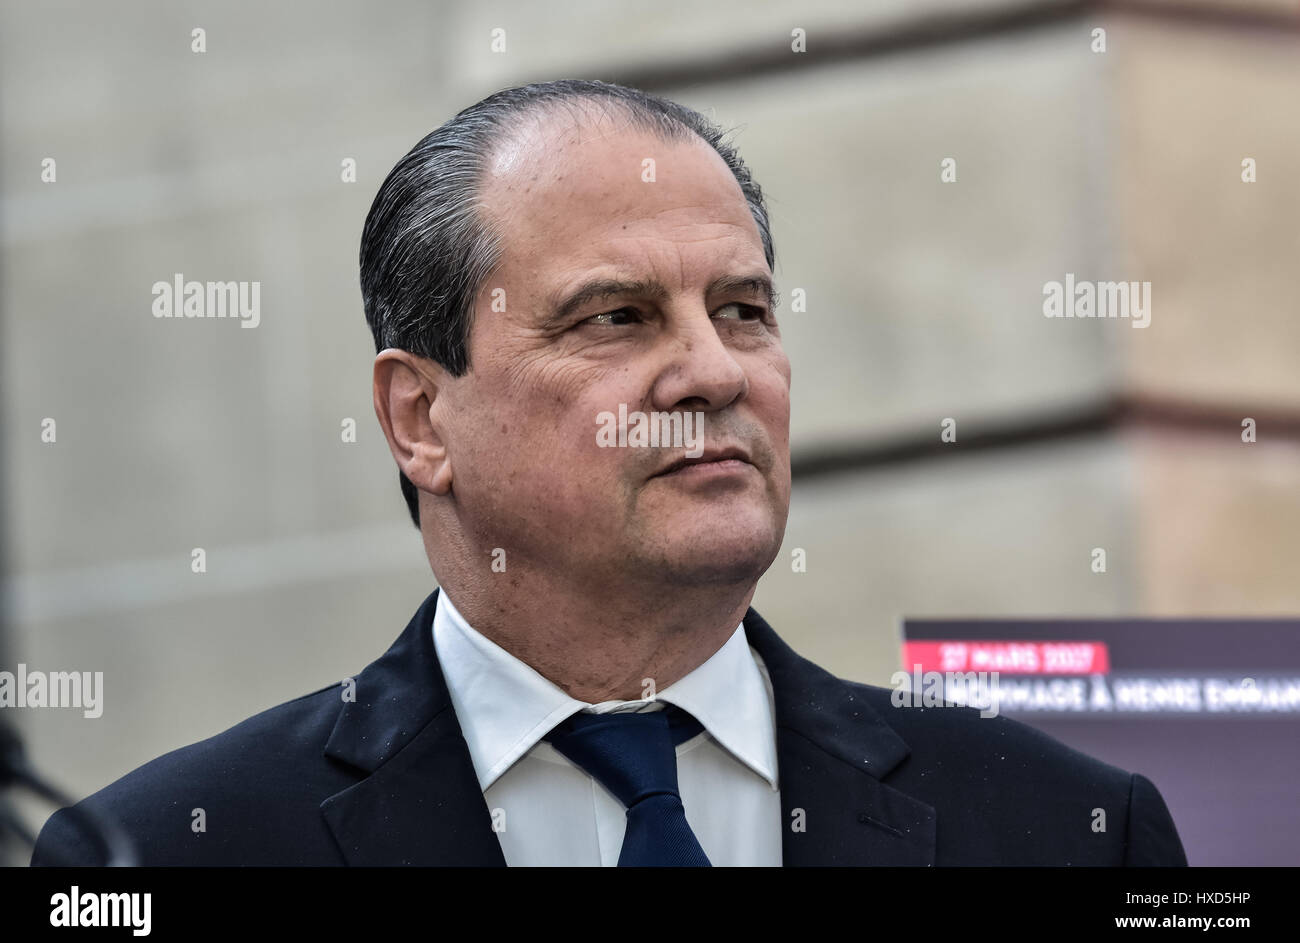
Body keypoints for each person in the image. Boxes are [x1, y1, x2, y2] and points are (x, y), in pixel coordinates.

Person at [31, 79, 1186, 867]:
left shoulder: (1067, 826)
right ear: (420, 416)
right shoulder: (169, 851)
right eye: (616, 317)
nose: (711, 371)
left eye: (742, 310)